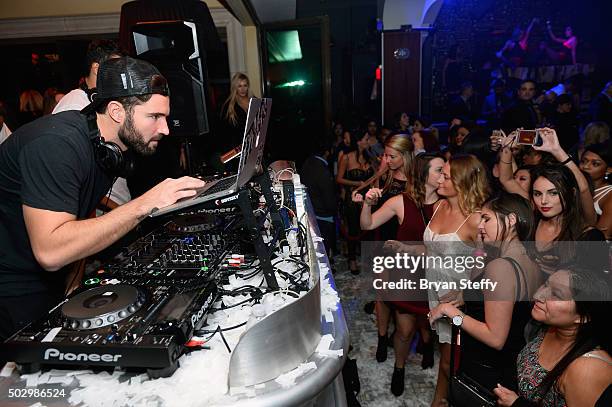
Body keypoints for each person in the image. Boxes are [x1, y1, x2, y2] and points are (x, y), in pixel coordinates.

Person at [0, 56, 206, 341]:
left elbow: (77, 216)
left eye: (165, 117)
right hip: (12, 283)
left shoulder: (108, 149)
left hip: (50, 278)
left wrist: (75, 277)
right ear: (116, 111)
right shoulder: (55, 146)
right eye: (154, 117)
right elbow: (50, 251)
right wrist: (146, 203)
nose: (165, 129)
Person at [429, 193, 542, 392]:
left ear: (511, 219)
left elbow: (495, 338)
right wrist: (480, 248)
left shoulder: (501, 267)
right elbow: (477, 282)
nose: (480, 225)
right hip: (506, 362)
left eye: (487, 218)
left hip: (486, 366)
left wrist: (450, 312)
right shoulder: (528, 260)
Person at [355, 153, 444, 396]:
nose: (445, 174)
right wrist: (367, 204)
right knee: (404, 331)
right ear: (424, 174)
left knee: (429, 326)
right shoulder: (401, 202)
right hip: (406, 277)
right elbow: (367, 225)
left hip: (435, 278)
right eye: (439, 170)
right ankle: (399, 368)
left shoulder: (448, 205)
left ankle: (426, 348)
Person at [424, 154, 490, 406]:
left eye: (446, 176)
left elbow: (489, 263)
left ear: (463, 182)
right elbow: (432, 249)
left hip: (459, 302)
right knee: (446, 358)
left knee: (452, 362)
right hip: (434, 294)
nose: (439, 179)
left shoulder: (476, 219)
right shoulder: (439, 206)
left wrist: (465, 294)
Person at [494, 267, 612, 406]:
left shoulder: (588, 369)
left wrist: (516, 404)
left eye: (556, 294)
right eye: (545, 284)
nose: (538, 295)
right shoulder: (549, 326)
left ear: (582, 317)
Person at [52, 40, 130, 212]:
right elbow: (71, 174)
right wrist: (116, 209)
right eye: (118, 67)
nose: (122, 73)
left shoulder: (104, 101)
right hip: (101, 209)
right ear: (96, 68)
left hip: (117, 204)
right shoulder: (73, 105)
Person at [336, 131, 374, 273]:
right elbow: (339, 179)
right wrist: (357, 182)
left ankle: (368, 259)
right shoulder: (347, 157)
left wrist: (374, 187)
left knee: (368, 228)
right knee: (353, 229)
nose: (369, 140)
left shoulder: (369, 157)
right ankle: (352, 260)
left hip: (368, 199)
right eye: (366, 138)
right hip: (353, 197)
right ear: (358, 141)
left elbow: (375, 175)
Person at [53, 39, 121, 114]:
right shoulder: (72, 106)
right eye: (116, 68)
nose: (120, 74)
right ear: (97, 69)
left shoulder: (101, 100)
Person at [300, 139, 337, 258]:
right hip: (323, 216)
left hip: (311, 212)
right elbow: (328, 196)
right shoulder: (322, 170)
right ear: (327, 152)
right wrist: (334, 211)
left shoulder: (307, 163)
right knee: (323, 251)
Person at [579, 142, 612, 239]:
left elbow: (602, 236)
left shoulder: (609, 194)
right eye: (583, 161)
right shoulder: (575, 186)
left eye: (595, 164)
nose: (586, 166)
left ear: (608, 170)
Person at [220, 72, 251, 153]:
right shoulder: (229, 106)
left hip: (253, 146)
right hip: (236, 150)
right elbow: (225, 133)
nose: (243, 89)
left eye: (245, 85)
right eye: (239, 86)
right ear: (235, 87)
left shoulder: (254, 102)